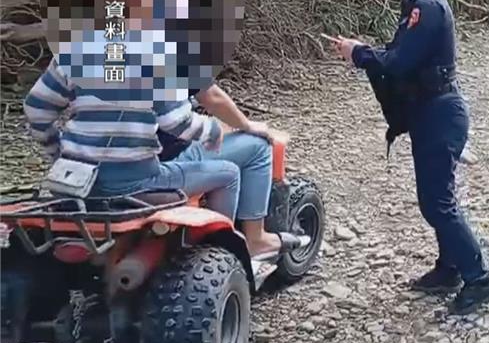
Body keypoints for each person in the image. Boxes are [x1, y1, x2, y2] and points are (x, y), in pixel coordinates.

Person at [329, 0, 489, 315]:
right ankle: (450, 267)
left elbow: (399, 62)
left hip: (440, 113)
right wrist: (362, 52)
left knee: (437, 203)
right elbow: (397, 57)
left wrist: (359, 53)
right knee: (437, 199)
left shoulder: (427, 7)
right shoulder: (416, 4)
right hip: (430, 111)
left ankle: (480, 278)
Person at [24, 58, 240, 219]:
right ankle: (227, 252)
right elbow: (176, 122)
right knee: (229, 174)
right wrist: (213, 130)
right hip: (133, 183)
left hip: (71, 182)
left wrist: (56, 152)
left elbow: (36, 110)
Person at [156, 83, 309, 260]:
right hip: (163, 163)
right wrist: (246, 125)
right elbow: (211, 97)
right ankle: (254, 240)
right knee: (258, 147)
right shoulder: (160, 57)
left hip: (125, 163)